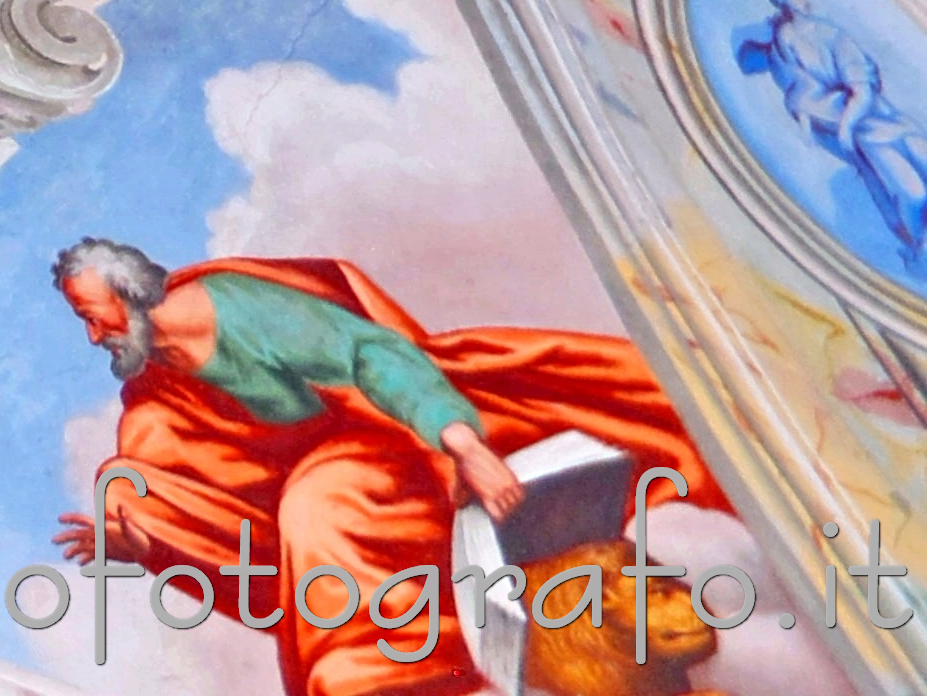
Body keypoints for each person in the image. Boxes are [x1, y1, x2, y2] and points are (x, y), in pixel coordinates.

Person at [48, 238, 719, 696]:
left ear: (128, 291)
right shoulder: (159, 380)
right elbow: (203, 472)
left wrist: (464, 446)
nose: (91, 334)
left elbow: (374, 357)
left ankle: (375, 673)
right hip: (317, 482)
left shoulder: (241, 310)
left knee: (327, 499)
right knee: (131, 488)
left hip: (409, 436)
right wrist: (155, 547)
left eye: (91, 315)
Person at [731, 0, 927, 265]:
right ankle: (916, 247)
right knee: (909, 194)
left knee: (914, 168)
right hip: (862, 135)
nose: (788, 2)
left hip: (878, 121)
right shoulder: (784, 44)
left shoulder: (831, 36)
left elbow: (861, 88)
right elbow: (798, 90)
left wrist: (846, 125)